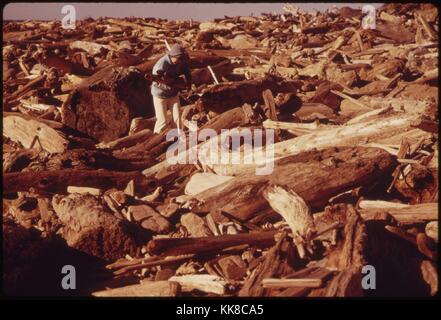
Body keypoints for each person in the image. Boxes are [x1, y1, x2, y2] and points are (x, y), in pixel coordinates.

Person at [150, 44, 192, 134]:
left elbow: (186, 71)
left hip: (173, 94)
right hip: (160, 95)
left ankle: (177, 136)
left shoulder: (180, 61)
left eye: (181, 59)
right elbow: (156, 83)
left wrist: (189, 83)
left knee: (177, 118)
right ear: (172, 56)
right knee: (162, 120)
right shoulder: (161, 65)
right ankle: (156, 138)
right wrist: (173, 85)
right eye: (179, 59)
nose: (180, 61)